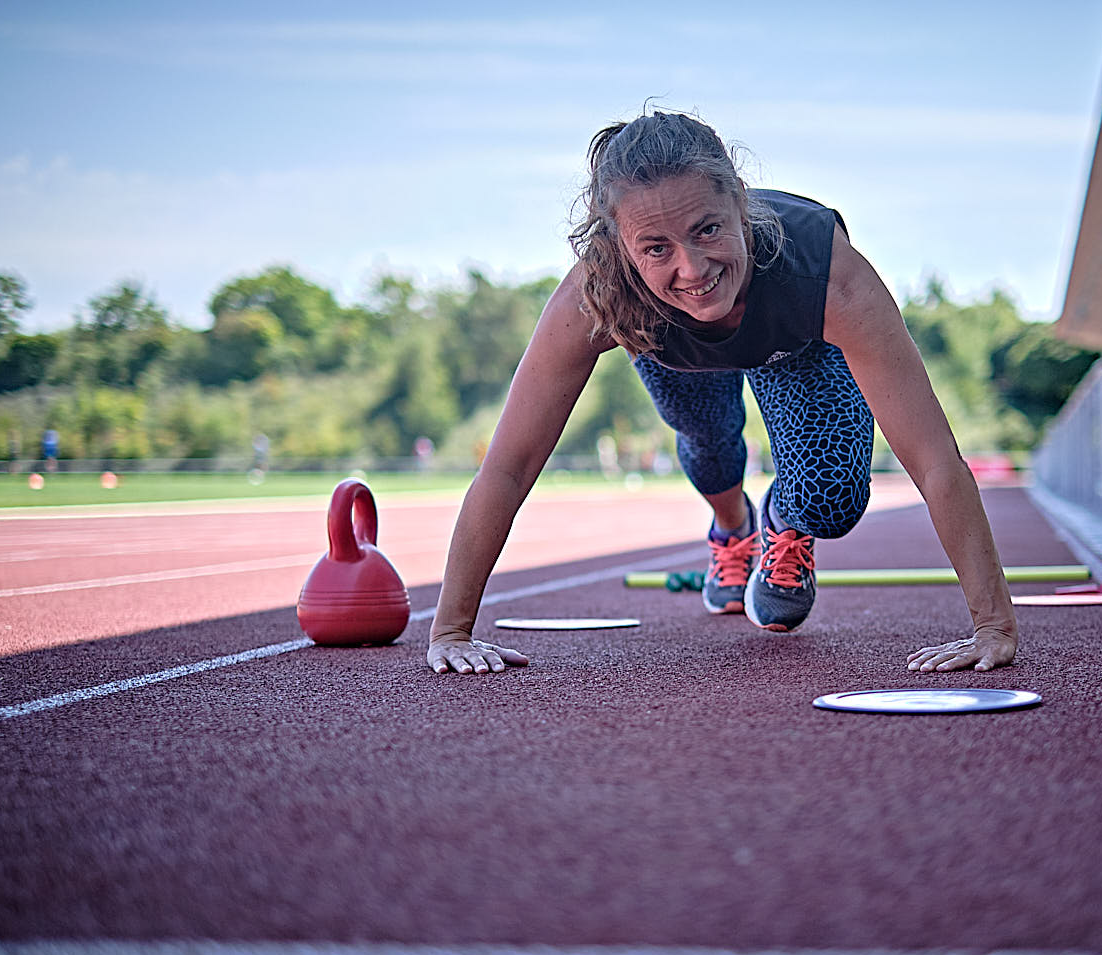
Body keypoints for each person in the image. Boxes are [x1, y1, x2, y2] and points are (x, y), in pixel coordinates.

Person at [427, 111, 1017, 676]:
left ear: (740, 199)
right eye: (656, 248)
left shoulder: (825, 273)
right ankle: (732, 527)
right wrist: (451, 630)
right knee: (708, 440)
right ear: (621, 247)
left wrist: (992, 625)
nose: (693, 268)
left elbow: (935, 459)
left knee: (832, 497)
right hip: (671, 346)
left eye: (707, 229)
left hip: (796, 346)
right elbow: (510, 466)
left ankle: (783, 522)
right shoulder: (600, 294)